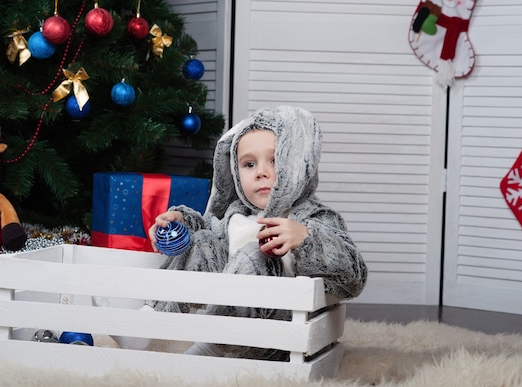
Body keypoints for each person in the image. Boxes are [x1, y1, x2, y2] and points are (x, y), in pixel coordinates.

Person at [147, 106, 368, 360]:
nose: (261, 172)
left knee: (256, 254)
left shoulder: (312, 218)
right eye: (249, 164)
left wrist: (306, 240)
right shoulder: (235, 216)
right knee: (205, 242)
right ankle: (150, 316)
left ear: (296, 164)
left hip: (282, 335)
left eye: (275, 160)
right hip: (238, 326)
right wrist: (181, 223)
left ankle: (212, 346)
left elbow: (354, 276)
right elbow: (209, 237)